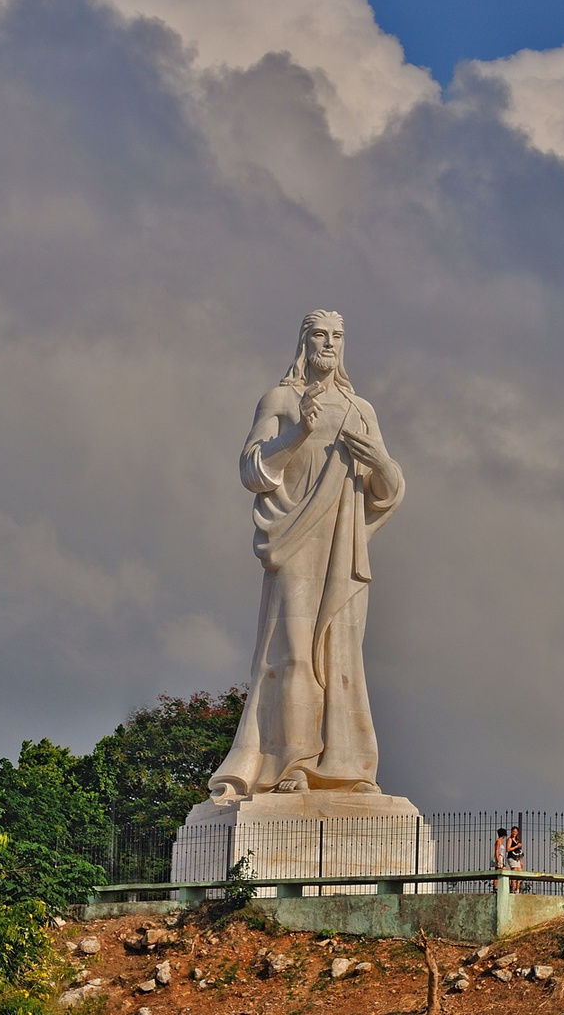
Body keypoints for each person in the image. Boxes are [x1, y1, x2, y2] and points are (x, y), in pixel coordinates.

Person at [208, 310, 405, 799]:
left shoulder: (362, 410)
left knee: (343, 654)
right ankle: (289, 765)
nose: (330, 344)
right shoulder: (280, 399)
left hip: (345, 545)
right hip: (295, 539)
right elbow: (251, 469)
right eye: (320, 334)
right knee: (293, 651)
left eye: (338, 336)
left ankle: (348, 767)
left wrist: (382, 462)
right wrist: (295, 434)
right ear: (303, 341)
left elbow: (389, 490)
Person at [506, 825, 524, 892]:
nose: (514, 833)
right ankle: (512, 888)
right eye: (513, 831)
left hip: (517, 858)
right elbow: (508, 849)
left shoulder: (518, 840)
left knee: (519, 872)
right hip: (511, 857)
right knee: (514, 871)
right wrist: (516, 846)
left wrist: (521, 861)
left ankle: (518, 889)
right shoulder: (509, 839)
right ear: (511, 832)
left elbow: (519, 852)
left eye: (516, 832)